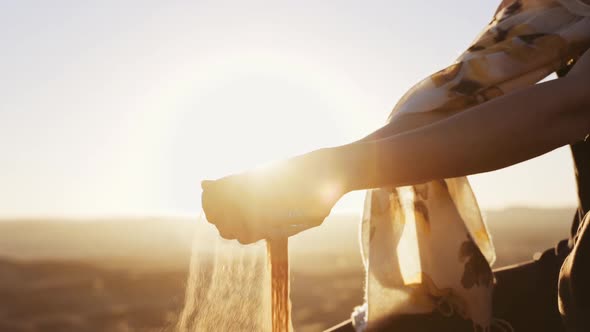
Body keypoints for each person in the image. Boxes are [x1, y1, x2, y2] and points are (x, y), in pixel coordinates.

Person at [201, 0, 590, 331]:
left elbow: (572, 106)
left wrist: (336, 171)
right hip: (572, 274)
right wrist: (301, 177)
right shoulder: (549, 10)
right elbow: (458, 102)